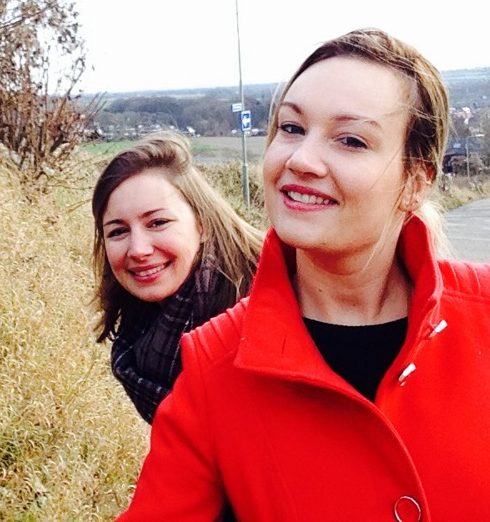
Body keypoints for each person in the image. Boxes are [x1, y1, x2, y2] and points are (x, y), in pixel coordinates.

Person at [115, 29, 490, 521]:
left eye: (351, 140)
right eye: (291, 128)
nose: (301, 159)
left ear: (415, 182)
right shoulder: (214, 366)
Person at [91, 131, 263, 423]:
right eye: (118, 231)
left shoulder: (263, 311)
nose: (138, 250)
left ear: (202, 223)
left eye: (158, 222)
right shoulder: (142, 329)